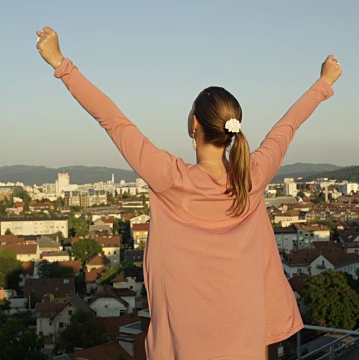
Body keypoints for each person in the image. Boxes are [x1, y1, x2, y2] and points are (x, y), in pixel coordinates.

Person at [36, 26, 341, 359]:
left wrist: (60, 62)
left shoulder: (170, 178)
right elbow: (287, 127)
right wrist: (323, 84)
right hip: (246, 346)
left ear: (194, 124)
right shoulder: (252, 177)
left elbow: (113, 120)